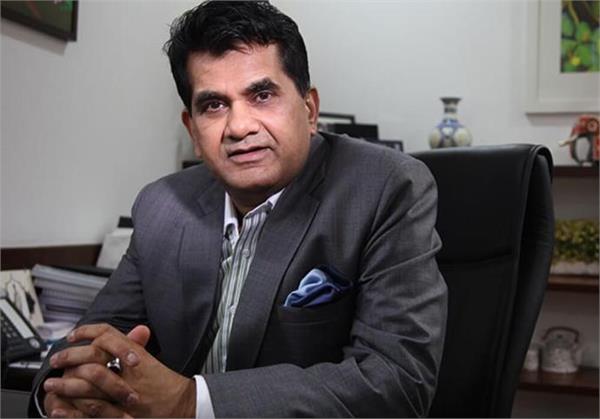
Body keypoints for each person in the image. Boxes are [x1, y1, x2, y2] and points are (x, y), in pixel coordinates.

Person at [29, 1, 448, 417]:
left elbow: (397, 381)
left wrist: (190, 402)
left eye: (262, 95)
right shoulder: (162, 206)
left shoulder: (385, 188)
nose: (239, 127)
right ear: (193, 130)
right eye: (214, 105)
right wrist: (61, 395)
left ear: (309, 110)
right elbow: (90, 339)